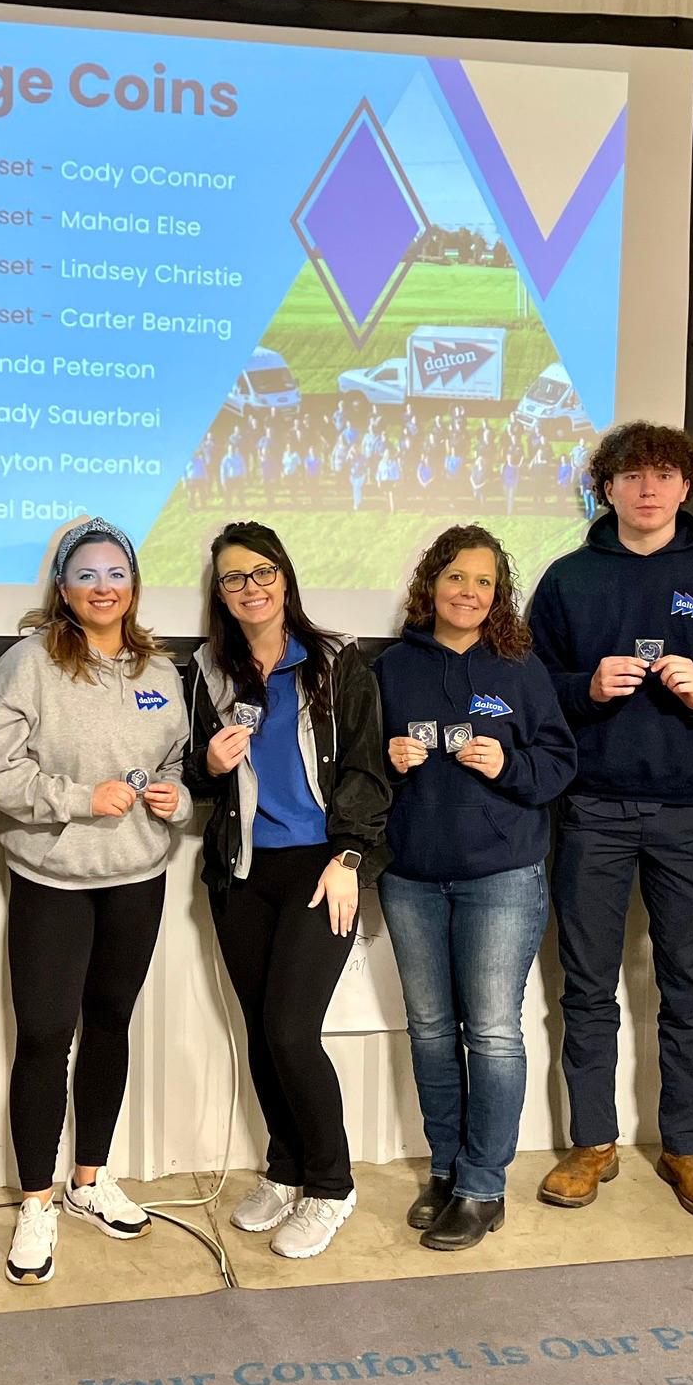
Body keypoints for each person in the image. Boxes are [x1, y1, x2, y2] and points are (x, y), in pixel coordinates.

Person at [528, 421, 693, 1217]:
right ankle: (592, 1145)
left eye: (664, 475)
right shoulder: (568, 579)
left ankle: (688, 1148)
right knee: (588, 986)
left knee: (688, 987)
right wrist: (586, 689)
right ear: (607, 488)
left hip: (690, 813)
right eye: (632, 476)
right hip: (590, 810)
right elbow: (532, 691)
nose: (648, 489)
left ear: (686, 487)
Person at [0, 519, 191, 1285]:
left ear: (133, 585)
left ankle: (89, 1181)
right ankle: (36, 1201)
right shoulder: (28, 665)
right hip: (54, 884)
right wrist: (76, 799)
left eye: (116, 573)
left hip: (138, 878)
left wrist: (175, 800)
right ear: (62, 588)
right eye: (87, 574)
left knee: (110, 1025)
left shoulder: (160, 669)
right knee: (44, 1037)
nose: (104, 587)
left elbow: (176, 761)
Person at [186, 522, 391, 1260]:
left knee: (290, 1032)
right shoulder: (207, 671)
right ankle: (286, 1169)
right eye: (234, 578)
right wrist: (209, 765)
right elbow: (192, 775)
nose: (251, 588)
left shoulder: (337, 662)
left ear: (285, 576)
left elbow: (366, 767)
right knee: (260, 1030)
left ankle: (332, 1186)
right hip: (243, 873)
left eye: (262, 572)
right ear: (220, 593)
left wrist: (349, 856)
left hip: (320, 869)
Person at [375, 527, 576, 1249]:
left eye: (484, 582)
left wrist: (509, 764)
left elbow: (559, 763)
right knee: (431, 1032)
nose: (468, 592)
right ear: (431, 584)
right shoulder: (391, 668)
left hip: (502, 876)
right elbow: (355, 769)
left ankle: (484, 1185)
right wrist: (389, 758)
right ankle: (446, 1169)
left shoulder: (520, 669)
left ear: (498, 596)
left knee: (491, 1032)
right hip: (410, 877)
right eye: (456, 577)